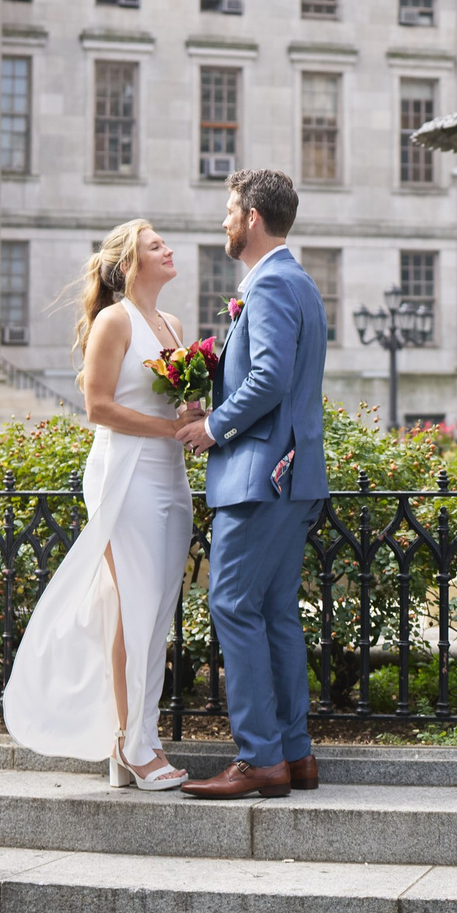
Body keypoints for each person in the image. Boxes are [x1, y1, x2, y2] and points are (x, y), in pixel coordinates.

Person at [3, 220, 197, 791]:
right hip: (126, 471)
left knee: (155, 612)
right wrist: (168, 427)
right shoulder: (114, 321)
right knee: (134, 607)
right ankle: (135, 745)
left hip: (169, 471)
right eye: (156, 245)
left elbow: (166, 404)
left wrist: (191, 414)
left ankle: (135, 735)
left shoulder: (173, 324)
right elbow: (98, 408)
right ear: (132, 263)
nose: (168, 249)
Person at [175, 169, 329, 801]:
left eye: (230, 211)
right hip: (292, 475)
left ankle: (259, 759)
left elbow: (268, 379)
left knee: (232, 605)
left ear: (254, 218)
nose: (224, 221)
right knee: (273, 614)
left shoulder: (268, 285)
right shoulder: (300, 282)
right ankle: (294, 756)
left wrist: (213, 426)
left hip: (261, 477)